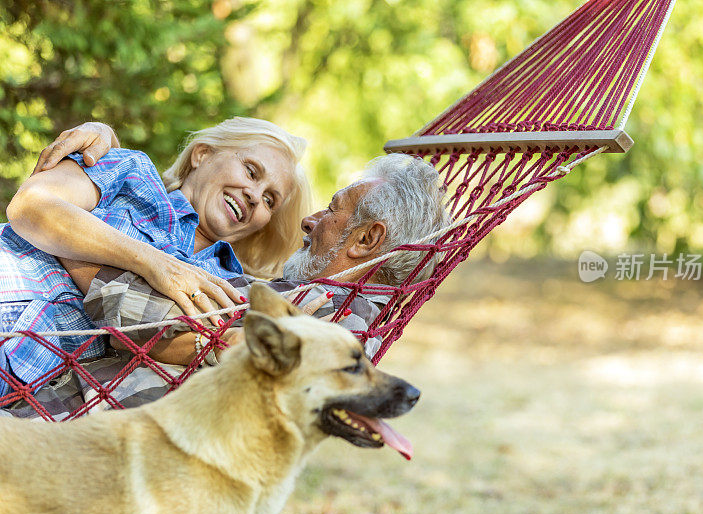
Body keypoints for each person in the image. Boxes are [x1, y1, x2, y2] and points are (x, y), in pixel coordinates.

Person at [1, 153, 453, 418]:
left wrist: (75, 235)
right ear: (202, 153)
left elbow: (140, 314)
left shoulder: (321, 319)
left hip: (50, 417)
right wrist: (107, 153)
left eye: (332, 209)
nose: (309, 221)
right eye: (251, 171)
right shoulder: (292, 299)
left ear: (368, 239)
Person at [0, 118, 311, 397]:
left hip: (20, 370)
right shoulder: (133, 172)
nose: (255, 196)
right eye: (251, 170)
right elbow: (29, 208)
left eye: (270, 200)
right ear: (202, 154)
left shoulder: (229, 287)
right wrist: (154, 262)